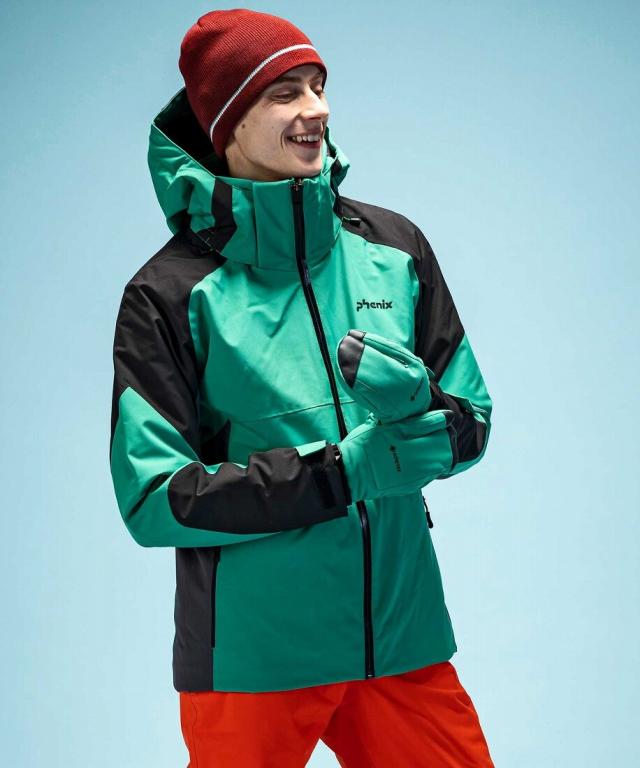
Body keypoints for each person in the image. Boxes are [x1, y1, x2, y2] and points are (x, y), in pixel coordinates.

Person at [109, 8, 496, 767]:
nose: (315, 110)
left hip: (400, 639)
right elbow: (155, 497)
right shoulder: (170, 295)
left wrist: (420, 411)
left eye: (318, 86)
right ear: (227, 123)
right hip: (253, 660)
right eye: (285, 94)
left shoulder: (393, 249)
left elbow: (471, 419)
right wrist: (338, 473)